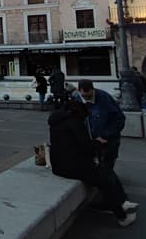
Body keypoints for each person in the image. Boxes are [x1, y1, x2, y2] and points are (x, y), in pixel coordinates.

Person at [48, 97, 139, 227]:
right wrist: (97, 143)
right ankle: (122, 216)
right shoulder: (75, 123)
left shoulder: (56, 121)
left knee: (106, 171)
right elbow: (85, 147)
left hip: (59, 163)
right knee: (105, 179)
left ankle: (121, 201)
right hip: (72, 165)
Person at [78, 79, 125, 171]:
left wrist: (104, 135)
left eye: (88, 95)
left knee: (108, 161)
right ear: (79, 90)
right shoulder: (78, 98)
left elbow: (119, 119)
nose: (85, 98)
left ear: (92, 89)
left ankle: (108, 178)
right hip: (94, 138)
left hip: (108, 138)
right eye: (83, 95)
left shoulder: (105, 99)